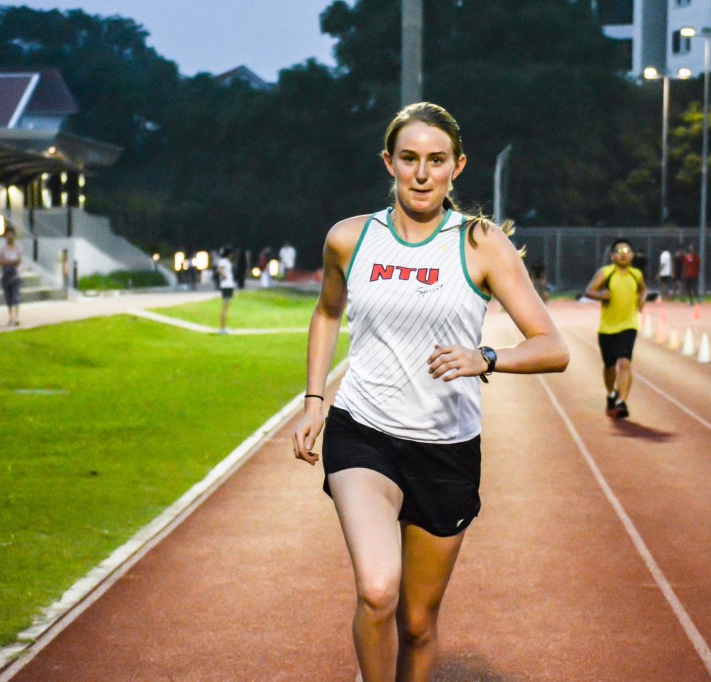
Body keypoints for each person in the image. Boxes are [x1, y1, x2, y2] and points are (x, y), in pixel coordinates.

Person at [291, 102, 568, 682]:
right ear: (388, 162)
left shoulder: (479, 243)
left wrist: (485, 358)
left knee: (417, 623)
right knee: (376, 589)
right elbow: (326, 314)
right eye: (409, 159)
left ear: (457, 167)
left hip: (446, 450)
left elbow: (552, 346)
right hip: (363, 432)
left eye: (436, 161)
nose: (421, 173)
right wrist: (315, 400)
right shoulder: (349, 239)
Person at [584, 238, 646, 419]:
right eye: (619, 251)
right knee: (609, 368)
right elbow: (589, 290)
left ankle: (621, 402)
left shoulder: (636, 274)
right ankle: (611, 393)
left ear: (632, 255)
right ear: (612, 256)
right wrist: (602, 294)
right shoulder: (605, 273)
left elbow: (643, 289)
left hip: (629, 326)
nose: (623, 254)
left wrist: (642, 299)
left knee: (625, 363)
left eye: (627, 251)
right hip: (607, 328)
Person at [0, 227, 23, 326]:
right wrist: (11, 261)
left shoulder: (18, 247)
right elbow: (0, 261)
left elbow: (18, 261)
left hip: (16, 275)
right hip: (6, 275)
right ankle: (10, 317)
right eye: (8, 234)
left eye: (11, 234)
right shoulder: (2, 248)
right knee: (8, 296)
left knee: (15, 296)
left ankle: (16, 317)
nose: (10, 236)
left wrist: (8, 261)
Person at [216, 246, 236, 334]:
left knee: (226, 307)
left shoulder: (226, 261)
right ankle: (222, 328)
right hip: (226, 286)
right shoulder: (223, 261)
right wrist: (224, 276)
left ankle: (223, 327)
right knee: (225, 308)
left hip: (228, 285)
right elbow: (219, 270)